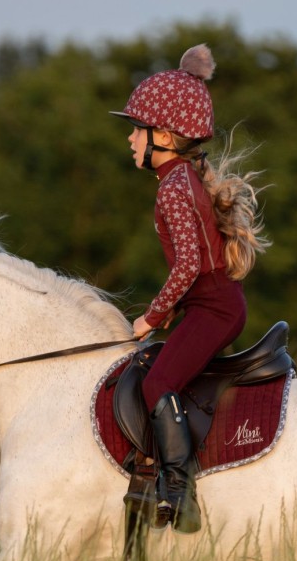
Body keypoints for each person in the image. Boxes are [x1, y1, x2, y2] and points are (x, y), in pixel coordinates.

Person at [110, 44, 270, 533]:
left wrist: (150, 318)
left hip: (213, 311)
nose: (131, 141)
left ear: (164, 135)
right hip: (211, 306)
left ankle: (180, 493)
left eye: (137, 130)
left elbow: (188, 269)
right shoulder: (180, 179)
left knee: (158, 383)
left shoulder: (174, 187)